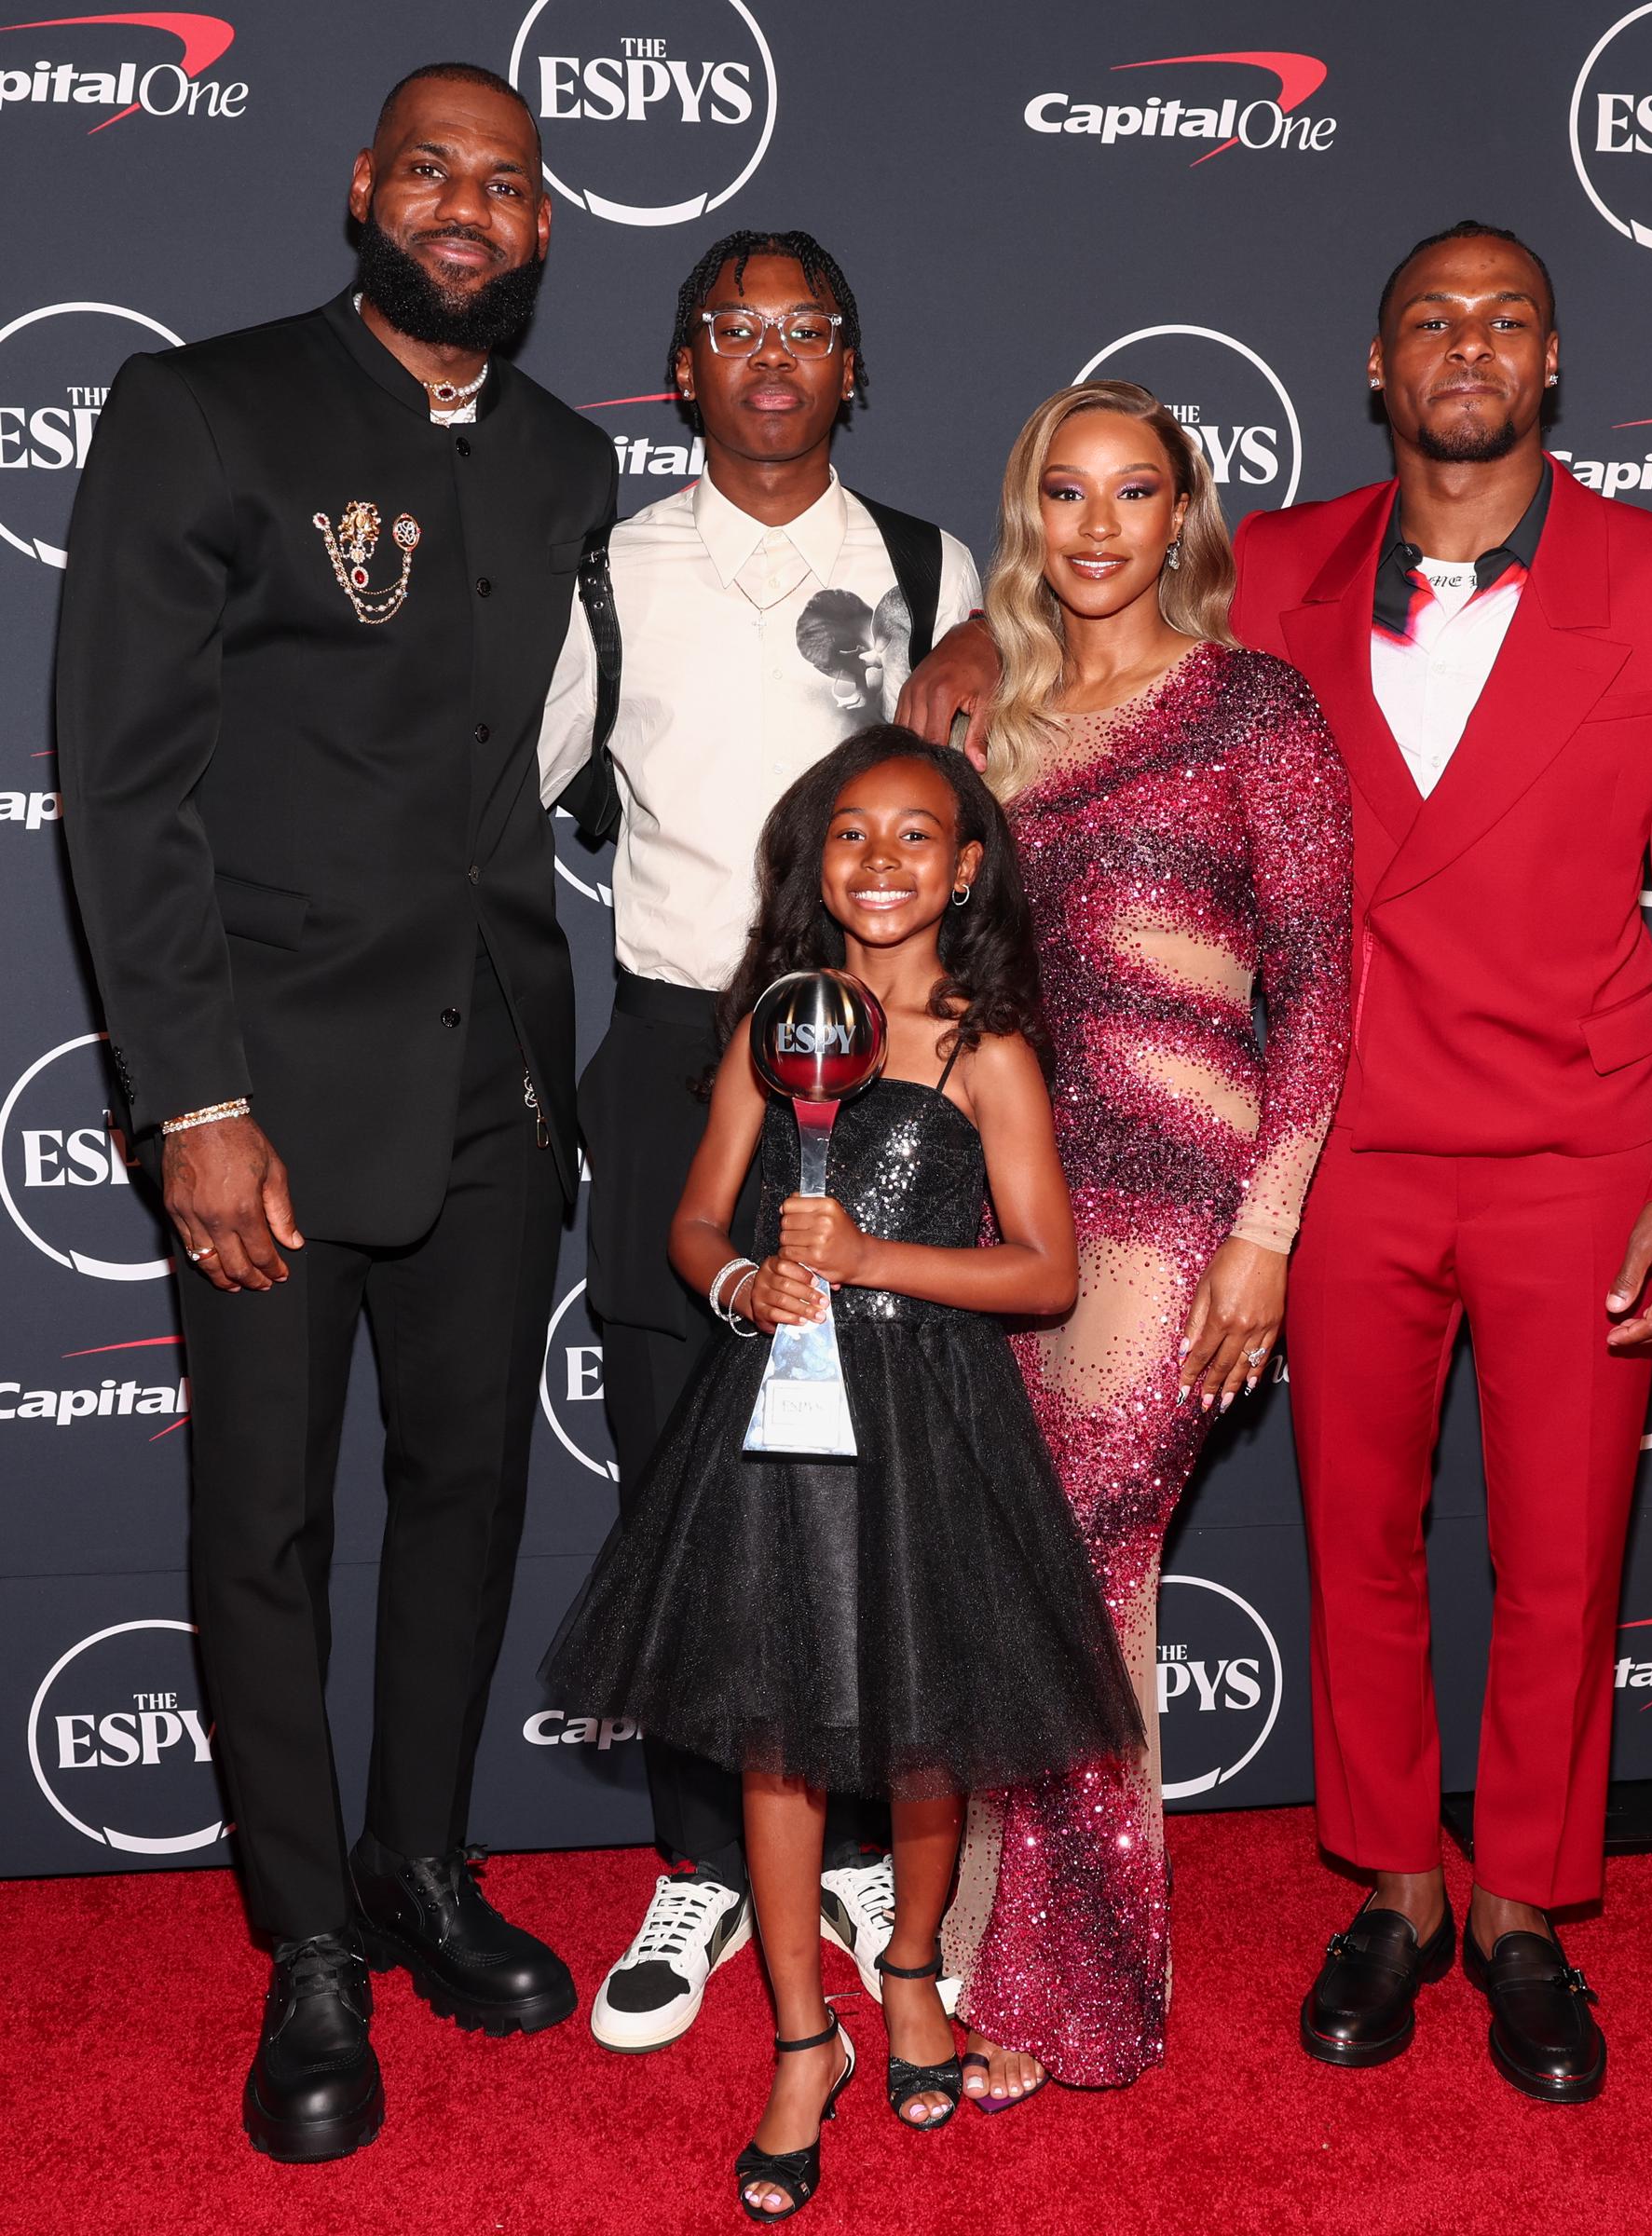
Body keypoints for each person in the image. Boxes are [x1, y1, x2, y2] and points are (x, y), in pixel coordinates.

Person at [914, 221, 1652, 2103]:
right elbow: (1100, 612)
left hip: (1577, 1147)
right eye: (1427, 323)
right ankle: (1391, 1890)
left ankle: (1526, 1914)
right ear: (1379, 371)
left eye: (1504, 321)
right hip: (1344, 1146)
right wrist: (978, 633)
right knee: (1353, 1545)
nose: (1465, 347)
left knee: (1562, 1563)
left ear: (1551, 362)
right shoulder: (1282, 563)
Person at [56, 63, 621, 2161]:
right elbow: (120, 790)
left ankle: (417, 1863)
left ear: (545, 228)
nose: (468, 211)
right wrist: (189, 1097)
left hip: (493, 1082)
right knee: (268, 1529)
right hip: (268, 1098)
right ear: (364, 192)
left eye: (508, 185)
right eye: (434, 175)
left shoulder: (568, 462)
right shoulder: (203, 410)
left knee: (465, 1507)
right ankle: (305, 1939)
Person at [544, 728, 1142, 2218]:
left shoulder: (983, 1043)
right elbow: (691, 1225)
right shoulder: (773, 1022)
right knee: (778, 1738)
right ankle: (801, 2043)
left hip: (931, 1419)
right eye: (850, 837)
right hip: (776, 1426)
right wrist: (744, 1283)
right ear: (814, 863)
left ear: (968, 866)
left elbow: (1048, 1273)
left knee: (932, 1728)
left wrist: (875, 1261)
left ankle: (913, 1972)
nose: (881, 865)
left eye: (916, 837)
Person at [535, 231, 983, 2052]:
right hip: (672, 1060)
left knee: (870, 1485)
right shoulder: (612, 567)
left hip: (876, 1080)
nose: (776, 356)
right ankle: (705, 1861)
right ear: (684, 367)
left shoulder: (930, 564)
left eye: (810, 329)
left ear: (853, 367)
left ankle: (866, 1842)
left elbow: (984, 826)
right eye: (740, 329)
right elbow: (521, 800)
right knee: (675, 1478)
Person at [940, 383, 1352, 2099]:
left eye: (1134, 494)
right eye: (1064, 493)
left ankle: (1077, 1996)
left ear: (1182, 515)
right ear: (1028, 513)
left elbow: (1324, 985)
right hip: (1003, 1189)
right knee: (1009, 1566)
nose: (1097, 527)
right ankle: (975, 1942)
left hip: (1180, 1199)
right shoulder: (988, 721)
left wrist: (1268, 1231)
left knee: (1077, 1557)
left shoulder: (1255, 704)